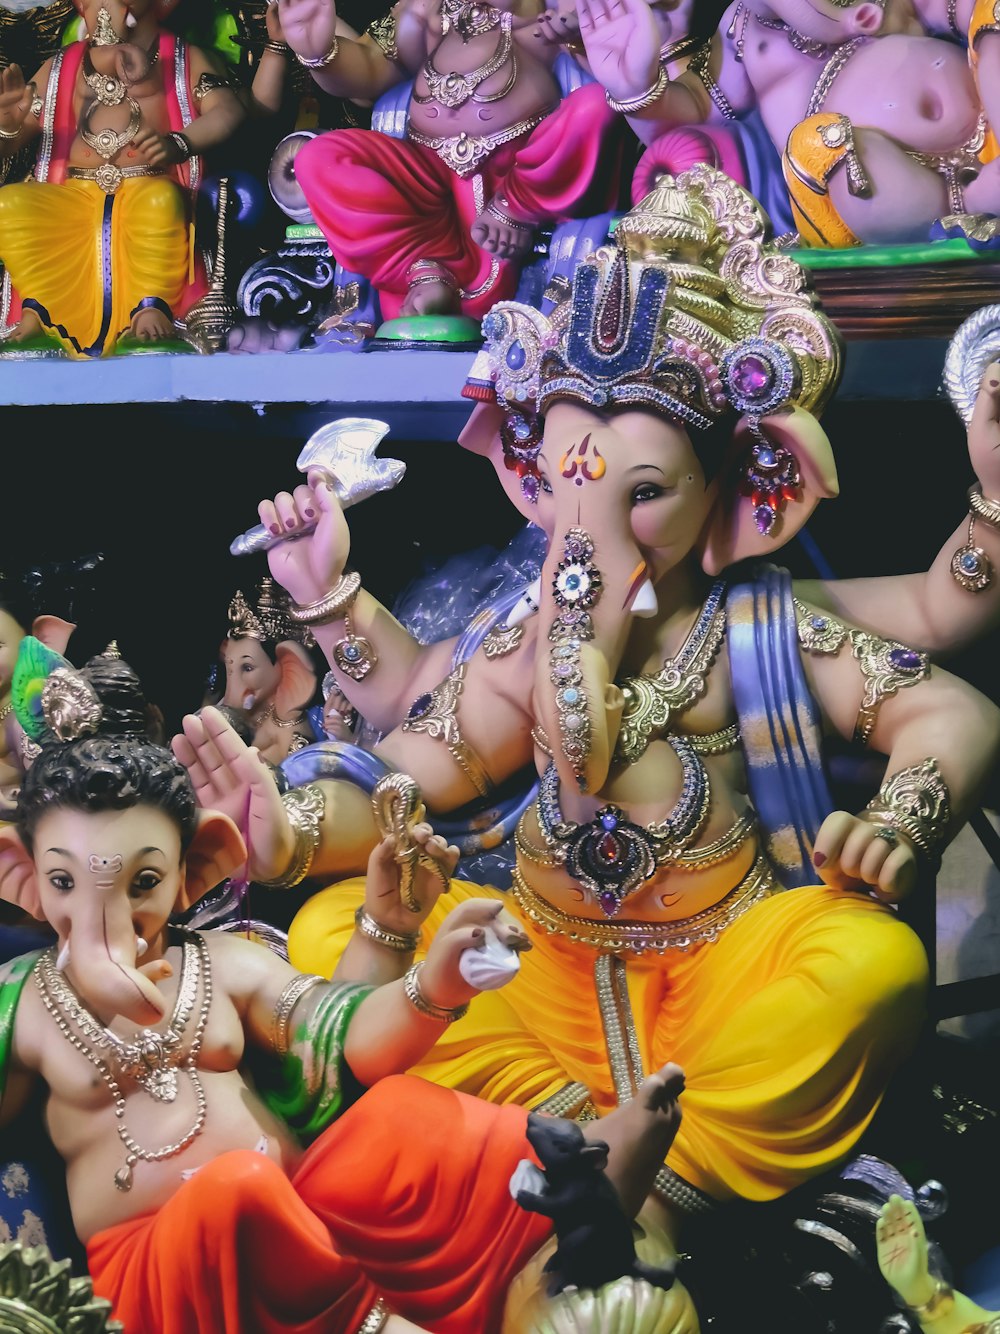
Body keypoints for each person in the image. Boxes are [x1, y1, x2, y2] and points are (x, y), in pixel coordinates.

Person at [177, 165, 1000, 1327]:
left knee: (869, 968)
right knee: (337, 934)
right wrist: (291, 823)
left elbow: (948, 705)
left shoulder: (747, 627)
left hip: (723, 962)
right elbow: (413, 777)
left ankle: (642, 1182)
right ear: (530, 475)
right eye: (572, 488)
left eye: (645, 494)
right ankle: (578, 1150)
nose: (592, 536)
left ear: (742, 493)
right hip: (545, 967)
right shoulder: (520, 643)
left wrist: (898, 820)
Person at [0, 642, 690, 1332]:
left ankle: (573, 1186)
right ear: (22, 875)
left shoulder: (221, 962)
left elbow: (343, 1037)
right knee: (236, 1193)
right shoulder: (26, 1003)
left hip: (301, 1206)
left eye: (142, 882)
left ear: (199, 866)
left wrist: (440, 980)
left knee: (394, 1115)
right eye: (66, 882)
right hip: (174, 1272)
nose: (107, 912)